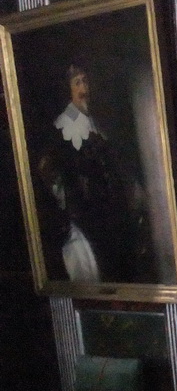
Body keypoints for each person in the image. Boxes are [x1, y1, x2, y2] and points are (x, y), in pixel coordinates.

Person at [36, 62, 154, 283]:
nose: (84, 88)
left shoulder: (92, 120)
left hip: (110, 208)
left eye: (85, 81)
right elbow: (51, 170)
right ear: (68, 90)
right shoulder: (65, 125)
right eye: (77, 83)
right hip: (90, 212)